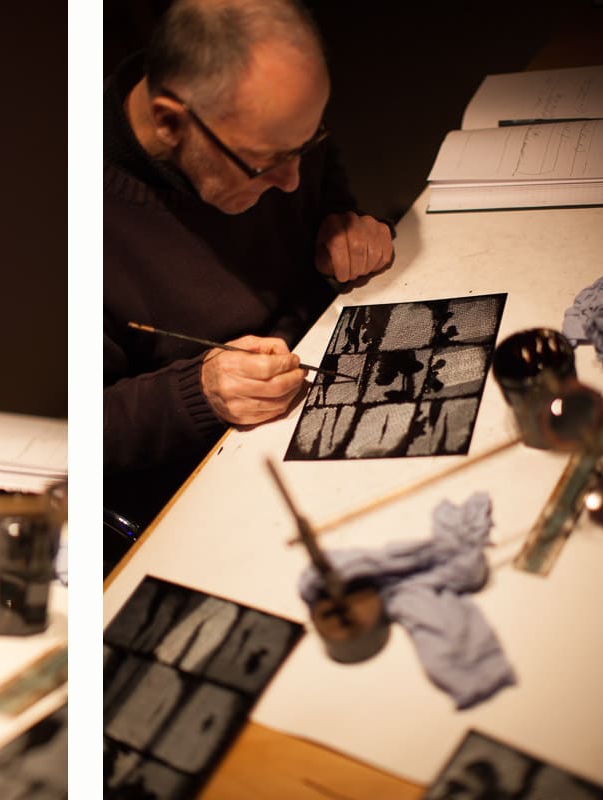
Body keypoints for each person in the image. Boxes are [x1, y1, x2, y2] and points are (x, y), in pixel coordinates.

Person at [104, 0, 396, 528]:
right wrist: (198, 392)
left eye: (307, 144)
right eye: (266, 162)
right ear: (169, 121)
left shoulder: (267, 123)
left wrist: (342, 227)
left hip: (324, 350)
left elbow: (324, 192)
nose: (292, 181)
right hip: (208, 482)